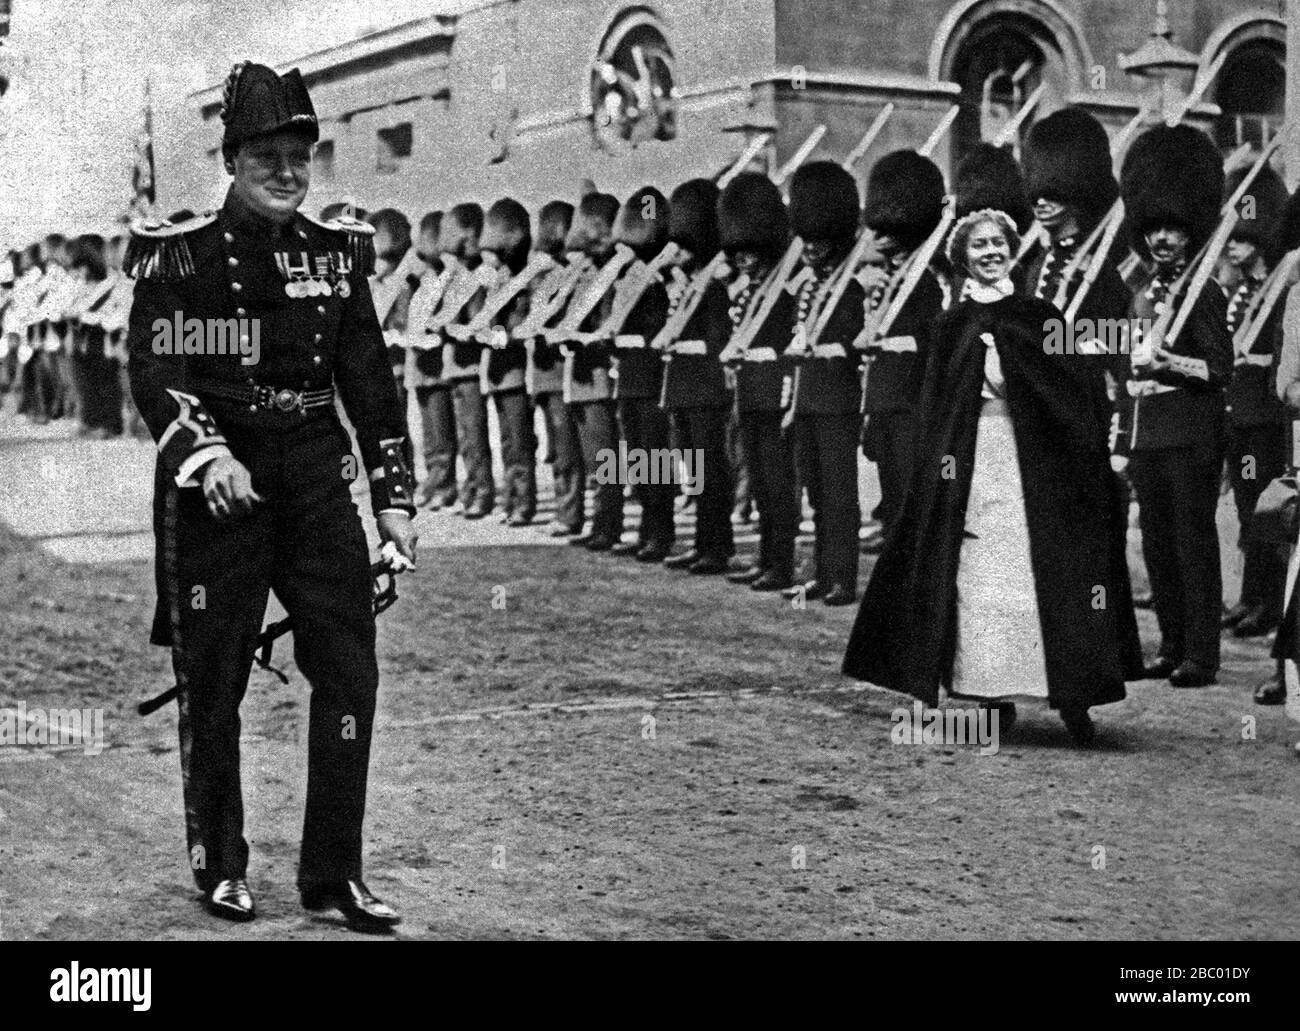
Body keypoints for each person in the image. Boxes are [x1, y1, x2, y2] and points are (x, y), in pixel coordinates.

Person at [125, 61, 417, 930]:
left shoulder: (336, 255)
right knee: (214, 682)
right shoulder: (183, 257)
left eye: (299, 154)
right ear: (231, 158)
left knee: (351, 672)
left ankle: (335, 875)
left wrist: (395, 497)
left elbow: (370, 381)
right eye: (266, 155)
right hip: (220, 491)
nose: (286, 171)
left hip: (316, 484)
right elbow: (158, 370)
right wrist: (206, 452)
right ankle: (221, 863)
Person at [843, 201, 1141, 744]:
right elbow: (933, 406)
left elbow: (1073, 393)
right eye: (979, 246)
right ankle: (986, 694)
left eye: (999, 245)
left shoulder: (1041, 317)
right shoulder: (949, 327)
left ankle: (1071, 693)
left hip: (1036, 468)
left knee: (1038, 571)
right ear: (962, 258)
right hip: (971, 464)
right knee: (977, 576)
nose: (991, 254)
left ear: (1012, 253)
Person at [1115, 124, 1233, 688]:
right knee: (1157, 543)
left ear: (1190, 234)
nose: (1163, 239)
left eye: (1174, 230)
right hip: (1148, 431)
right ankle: (1170, 643)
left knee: (1192, 542)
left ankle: (1203, 655)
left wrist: (1168, 365)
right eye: (1155, 229)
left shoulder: (1202, 292)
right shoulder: (1142, 294)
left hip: (1190, 431)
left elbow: (1218, 370)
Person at [783, 161, 867, 606]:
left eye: (819, 241)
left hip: (838, 400)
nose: (811, 249)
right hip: (808, 399)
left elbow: (855, 345)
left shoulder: (851, 288)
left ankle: (843, 576)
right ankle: (821, 570)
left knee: (839, 493)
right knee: (816, 492)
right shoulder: (809, 289)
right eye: (806, 241)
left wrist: (828, 351)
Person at [717, 172, 799, 586]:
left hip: (775, 392)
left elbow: (793, 340)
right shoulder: (747, 292)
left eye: (750, 251)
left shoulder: (787, 287)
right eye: (738, 252)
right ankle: (766, 558)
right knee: (762, 483)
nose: (742, 259)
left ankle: (782, 564)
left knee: (780, 482)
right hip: (749, 393)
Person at [1219, 165, 1289, 641]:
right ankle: (1249, 597)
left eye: (1241, 240)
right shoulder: (1240, 292)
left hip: (1265, 417)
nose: (1232, 247)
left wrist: (1255, 358)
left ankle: (1267, 602)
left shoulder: (1278, 292)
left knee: (1264, 509)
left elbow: (1282, 353)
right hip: (1238, 415)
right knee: (1247, 508)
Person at [660, 178, 735, 568]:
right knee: (694, 472)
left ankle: (717, 546)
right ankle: (703, 543)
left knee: (709, 471)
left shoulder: (715, 286)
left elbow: (717, 342)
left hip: (706, 386)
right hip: (684, 387)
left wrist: (676, 344)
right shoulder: (689, 284)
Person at [558, 191, 626, 551]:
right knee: (590, 460)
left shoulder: (609, 282)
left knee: (605, 462)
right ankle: (600, 523)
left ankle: (608, 525)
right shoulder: (582, 281)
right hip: (580, 378)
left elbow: (608, 332)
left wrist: (579, 339)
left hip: (599, 379)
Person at [609, 187, 674, 558]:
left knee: (655, 460)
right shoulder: (629, 280)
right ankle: (647, 530)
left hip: (651, 378)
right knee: (638, 459)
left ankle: (660, 534)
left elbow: (655, 332)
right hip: (630, 379)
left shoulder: (656, 282)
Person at [524, 200, 587, 537]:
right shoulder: (542, 275)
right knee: (557, 450)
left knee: (566, 451)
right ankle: (567, 509)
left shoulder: (566, 276)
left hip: (559, 371)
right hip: (542, 373)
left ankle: (571, 512)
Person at [476, 198, 539, 525]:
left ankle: (524, 504)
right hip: (499, 373)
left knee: (519, 443)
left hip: (517, 371)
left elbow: (526, 323)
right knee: (507, 444)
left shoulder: (523, 281)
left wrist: (503, 335)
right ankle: (512, 500)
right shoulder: (499, 282)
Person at [434, 202, 496, 518]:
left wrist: (456, 329)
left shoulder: (477, 277)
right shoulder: (457, 278)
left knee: (474, 436)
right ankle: (471, 490)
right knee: (464, 439)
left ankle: (483, 493)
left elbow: (477, 323)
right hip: (455, 365)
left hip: (470, 366)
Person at [406, 210, 461, 510]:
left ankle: (445, 485)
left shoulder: (444, 281)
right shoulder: (420, 282)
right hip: (421, 366)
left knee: (442, 433)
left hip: (437, 364)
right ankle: (434, 481)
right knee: (429, 434)